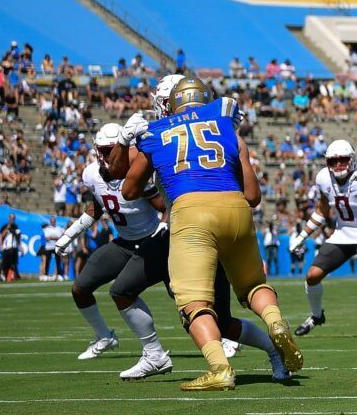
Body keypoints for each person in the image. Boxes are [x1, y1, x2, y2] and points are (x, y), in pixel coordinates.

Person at [123, 77, 302, 392]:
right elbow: (254, 195)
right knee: (253, 286)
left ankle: (219, 368)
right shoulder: (225, 125)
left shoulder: (154, 133)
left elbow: (128, 189)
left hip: (191, 213)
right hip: (235, 208)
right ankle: (275, 321)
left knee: (193, 302)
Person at [52, 122, 174, 379]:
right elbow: (96, 209)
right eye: (104, 151)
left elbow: (166, 205)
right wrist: (69, 235)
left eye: (112, 150)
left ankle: (223, 335)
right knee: (80, 288)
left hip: (154, 241)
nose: (108, 157)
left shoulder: (137, 174)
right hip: (125, 242)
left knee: (181, 297)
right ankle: (104, 337)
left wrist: (163, 228)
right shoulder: (92, 174)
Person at [293, 140, 357, 339]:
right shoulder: (324, 178)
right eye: (334, 161)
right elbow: (322, 210)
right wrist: (302, 235)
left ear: (352, 160)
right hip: (342, 234)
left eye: (343, 160)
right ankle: (316, 316)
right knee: (312, 276)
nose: (339, 164)